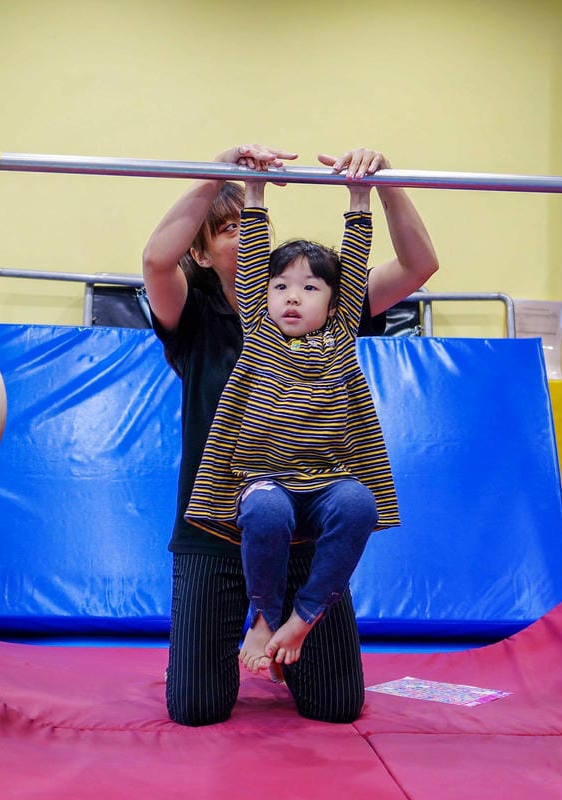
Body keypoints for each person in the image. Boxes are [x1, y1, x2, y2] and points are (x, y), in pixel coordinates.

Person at [142, 145, 438, 726]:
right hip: (217, 533)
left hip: (304, 534)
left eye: (245, 225)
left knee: (335, 707)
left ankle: (291, 625)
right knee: (197, 708)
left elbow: (419, 265)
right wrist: (220, 173)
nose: (241, 236)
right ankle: (258, 620)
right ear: (200, 252)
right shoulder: (195, 314)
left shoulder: (323, 309)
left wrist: (382, 184)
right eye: (223, 230)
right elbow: (156, 259)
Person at [185, 172, 399, 677]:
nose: (292, 297)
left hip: (328, 481)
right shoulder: (258, 330)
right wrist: (254, 192)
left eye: (308, 288)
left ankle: (303, 617)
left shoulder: (342, 333)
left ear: (334, 301)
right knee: (263, 511)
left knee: (358, 504)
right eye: (280, 286)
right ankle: (263, 615)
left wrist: (360, 197)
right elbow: (254, 257)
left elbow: (357, 252)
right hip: (267, 480)